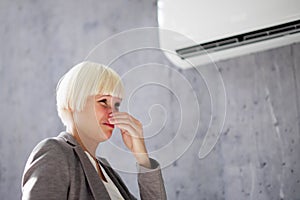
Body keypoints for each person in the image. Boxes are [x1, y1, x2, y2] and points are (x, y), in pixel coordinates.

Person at [21, 61, 167, 200]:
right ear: (73, 103)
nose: (113, 113)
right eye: (103, 101)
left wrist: (142, 158)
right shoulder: (54, 152)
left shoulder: (106, 170)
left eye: (116, 105)